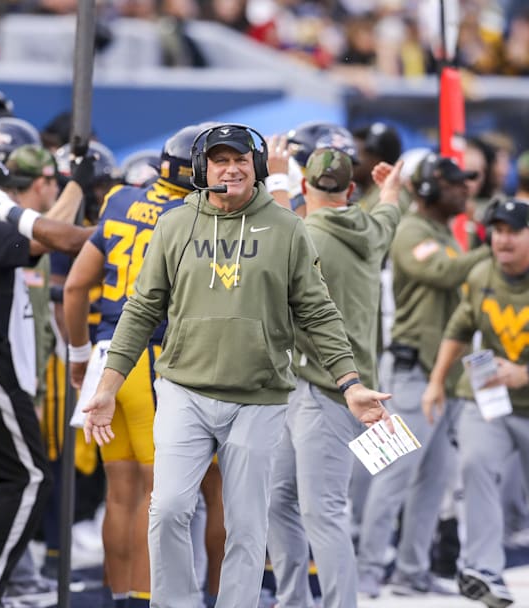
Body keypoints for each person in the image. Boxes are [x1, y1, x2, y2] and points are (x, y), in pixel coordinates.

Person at [80, 123, 390, 608]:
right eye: (220, 160)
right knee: (168, 508)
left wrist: (350, 383)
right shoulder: (175, 224)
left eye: (240, 159)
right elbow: (141, 308)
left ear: (257, 167)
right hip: (184, 389)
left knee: (247, 524)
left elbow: (317, 310)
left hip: (258, 396)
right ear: (202, 168)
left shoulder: (287, 227)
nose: (231, 168)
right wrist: (106, 382)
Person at [423, 198, 529, 608]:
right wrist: (436, 381)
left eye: (513, 230)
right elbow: (461, 325)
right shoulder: (481, 273)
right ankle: (485, 569)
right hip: (490, 399)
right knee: (474, 464)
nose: (502, 239)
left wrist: (528, 374)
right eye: (496, 230)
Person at [0, 157, 90, 607]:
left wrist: (74, 188)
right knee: (28, 478)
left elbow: (46, 231)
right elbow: (64, 237)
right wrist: (75, 192)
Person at [63, 124, 199, 607]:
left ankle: (118, 595)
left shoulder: (121, 198)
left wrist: (79, 353)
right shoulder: (193, 214)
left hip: (104, 356)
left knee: (118, 492)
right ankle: (144, 598)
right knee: (155, 494)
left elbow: (77, 287)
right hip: (151, 360)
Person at [266, 149, 403, 608]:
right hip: (334, 386)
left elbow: (280, 233)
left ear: (308, 188)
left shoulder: (305, 234)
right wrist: (390, 190)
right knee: (279, 501)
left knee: (321, 511)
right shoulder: (372, 228)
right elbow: (388, 213)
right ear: (350, 190)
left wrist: (278, 181)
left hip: (326, 389)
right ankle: (293, 601)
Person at [357, 154, 491, 599]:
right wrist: (497, 248)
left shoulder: (443, 234)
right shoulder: (412, 229)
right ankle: (367, 568)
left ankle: (411, 569)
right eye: (453, 184)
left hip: (443, 377)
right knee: (392, 475)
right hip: (411, 376)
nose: (464, 190)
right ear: (429, 188)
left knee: (435, 479)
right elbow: (441, 271)